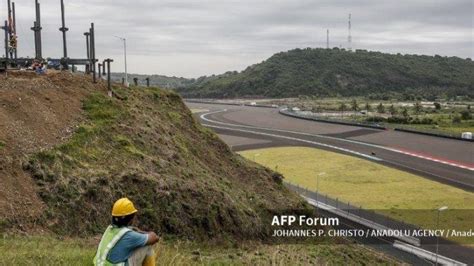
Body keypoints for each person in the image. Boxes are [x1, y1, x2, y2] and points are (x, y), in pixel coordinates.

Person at [94, 198, 159, 266]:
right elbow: (155, 238)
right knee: (147, 245)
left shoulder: (109, 229)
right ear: (130, 218)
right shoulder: (129, 235)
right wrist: (141, 231)